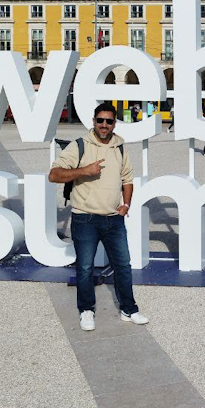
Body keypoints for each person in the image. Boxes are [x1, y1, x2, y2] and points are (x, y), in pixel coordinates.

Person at [48, 102, 148, 332]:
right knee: (84, 268)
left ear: (115, 123)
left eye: (109, 121)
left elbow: (128, 178)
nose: (104, 125)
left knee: (123, 266)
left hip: (114, 219)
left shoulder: (120, 147)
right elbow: (54, 175)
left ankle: (129, 309)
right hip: (85, 219)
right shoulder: (79, 146)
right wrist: (84, 171)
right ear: (93, 122)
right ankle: (86, 310)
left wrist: (126, 205)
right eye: (100, 120)